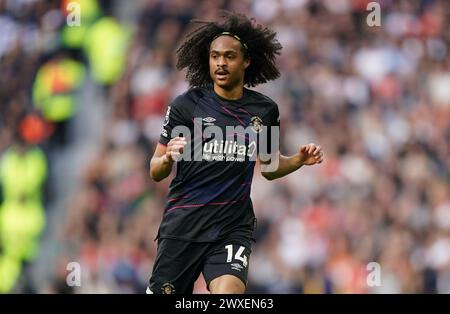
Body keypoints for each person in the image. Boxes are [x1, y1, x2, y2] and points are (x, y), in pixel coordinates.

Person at [147, 12, 324, 294]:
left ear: (246, 61)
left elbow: (269, 167)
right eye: (215, 56)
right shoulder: (187, 105)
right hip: (184, 227)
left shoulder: (264, 111)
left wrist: (298, 160)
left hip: (232, 227)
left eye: (229, 56)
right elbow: (156, 170)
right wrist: (167, 158)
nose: (220, 62)